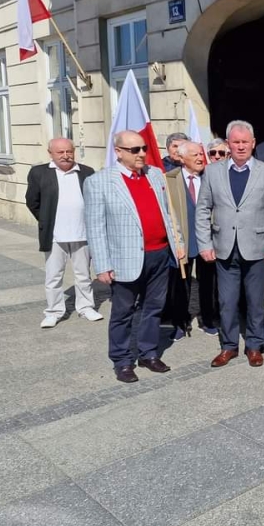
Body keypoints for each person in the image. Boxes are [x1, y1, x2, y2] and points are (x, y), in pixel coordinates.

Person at [85, 131, 185, 383]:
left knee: (154, 308)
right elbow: (95, 227)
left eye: (143, 148)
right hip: (125, 259)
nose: (141, 154)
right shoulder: (99, 182)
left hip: (160, 254)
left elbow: (168, 213)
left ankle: (148, 353)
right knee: (123, 313)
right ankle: (122, 361)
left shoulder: (155, 174)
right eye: (134, 150)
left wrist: (178, 243)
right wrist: (102, 265)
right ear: (118, 152)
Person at [196, 120, 264, 368]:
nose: (241, 146)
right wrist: (204, 244)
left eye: (245, 142)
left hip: (256, 247)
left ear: (253, 143)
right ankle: (229, 346)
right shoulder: (213, 172)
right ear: (228, 144)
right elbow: (202, 210)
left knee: (255, 301)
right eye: (236, 142)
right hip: (224, 248)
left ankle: (254, 346)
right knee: (227, 302)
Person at [25, 138, 102, 328]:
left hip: (82, 233)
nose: (66, 156)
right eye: (60, 152)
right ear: (50, 153)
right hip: (55, 235)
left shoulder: (86, 172)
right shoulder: (39, 173)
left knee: (83, 274)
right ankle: (54, 311)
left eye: (69, 151)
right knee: (53, 276)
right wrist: (45, 220)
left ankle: (86, 307)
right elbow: (32, 201)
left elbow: (95, 199)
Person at [164, 141, 219, 339]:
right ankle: (180, 323)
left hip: (207, 240)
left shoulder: (210, 177)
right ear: (181, 158)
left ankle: (208, 319)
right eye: (195, 154)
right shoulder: (170, 179)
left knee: (208, 283)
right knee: (181, 284)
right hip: (183, 240)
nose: (200, 158)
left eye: (201, 154)